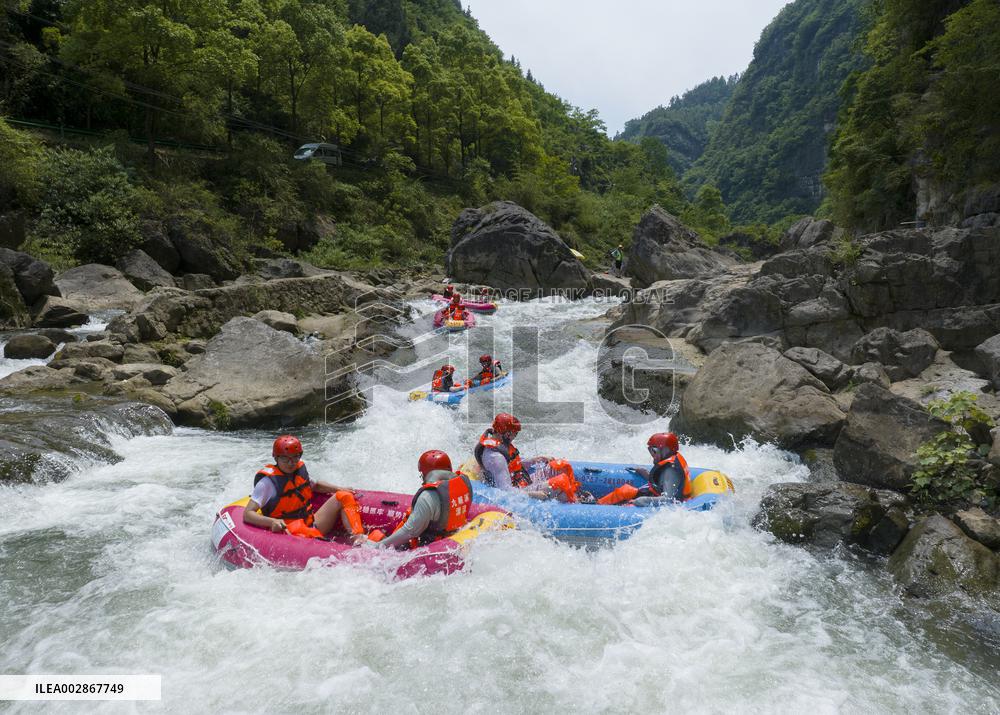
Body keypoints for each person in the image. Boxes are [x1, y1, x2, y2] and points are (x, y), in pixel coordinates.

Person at [244, 435, 369, 544]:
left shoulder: (299, 470)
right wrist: (272, 522)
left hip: (311, 522)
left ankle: (358, 539)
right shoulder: (267, 483)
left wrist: (339, 488)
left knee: (344, 496)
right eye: (285, 458)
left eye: (295, 457)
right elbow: (248, 514)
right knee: (305, 530)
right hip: (288, 530)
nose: (290, 463)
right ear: (276, 458)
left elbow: (316, 486)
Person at [377, 450, 473, 550]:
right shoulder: (464, 483)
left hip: (433, 549)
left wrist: (377, 546)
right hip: (456, 539)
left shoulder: (427, 496)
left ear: (425, 473)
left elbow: (409, 532)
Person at [598, 432, 691, 505]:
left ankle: (598, 508)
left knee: (628, 503)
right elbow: (663, 483)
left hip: (666, 503)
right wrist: (646, 474)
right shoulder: (671, 459)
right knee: (625, 491)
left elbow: (669, 500)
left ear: (665, 450)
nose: (652, 454)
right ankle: (597, 504)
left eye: (654, 451)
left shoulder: (671, 470)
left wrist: (642, 500)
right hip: (656, 494)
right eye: (650, 450)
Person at [470, 413, 549, 490]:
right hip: (520, 490)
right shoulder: (496, 458)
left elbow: (511, 464)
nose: (514, 437)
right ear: (507, 434)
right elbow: (506, 491)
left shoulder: (498, 447)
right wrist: (535, 495)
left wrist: (533, 460)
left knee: (554, 468)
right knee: (555, 483)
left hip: (521, 482)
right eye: (515, 434)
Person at [526, 459, 595, 504]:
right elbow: (543, 495)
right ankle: (525, 492)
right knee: (544, 495)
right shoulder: (566, 489)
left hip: (540, 483)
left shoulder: (569, 485)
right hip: (550, 486)